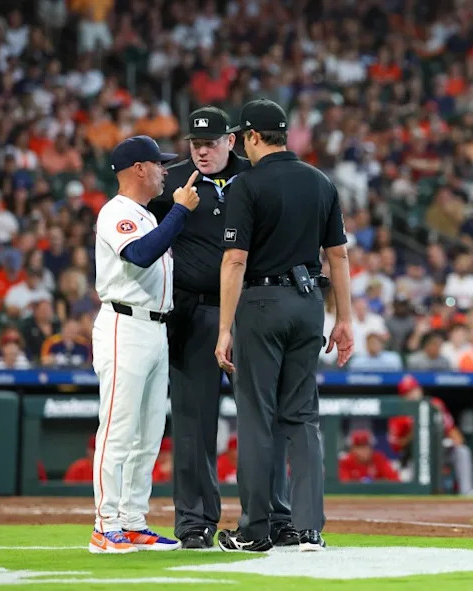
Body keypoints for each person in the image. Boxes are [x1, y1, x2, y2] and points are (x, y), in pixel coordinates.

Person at [149, 106, 295, 550]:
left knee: (261, 418)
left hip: (249, 310)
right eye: (195, 145)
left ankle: (271, 517)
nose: (202, 152)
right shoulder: (172, 181)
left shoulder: (257, 177)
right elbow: (133, 230)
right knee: (193, 423)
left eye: (210, 143)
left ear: (232, 140)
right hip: (193, 313)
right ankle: (194, 522)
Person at [214, 99, 353, 553]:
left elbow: (235, 260)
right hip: (311, 302)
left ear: (253, 136)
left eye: (243, 137)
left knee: (256, 417)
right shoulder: (321, 181)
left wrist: (223, 328)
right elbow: (339, 256)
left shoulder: (246, 185)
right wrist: (345, 319)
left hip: (262, 301)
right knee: (303, 417)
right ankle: (308, 527)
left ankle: (255, 531)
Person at [89, 135, 199, 554]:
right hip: (124, 324)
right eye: (159, 164)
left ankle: (132, 520)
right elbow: (139, 254)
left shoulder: (145, 213)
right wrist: (179, 212)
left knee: (147, 433)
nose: (164, 171)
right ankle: (105, 524)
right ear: (139, 169)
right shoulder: (117, 211)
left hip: (155, 328)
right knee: (118, 429)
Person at [388, 375, 473, 495]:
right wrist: (415, 430)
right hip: (413, 456)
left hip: (440, 451)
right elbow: (396, 446)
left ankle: (467, 491)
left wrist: (456, 441)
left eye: (414, 389)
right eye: (408, 392)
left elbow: (451, 429)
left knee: (462, 451)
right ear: (403, 396)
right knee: (407, 488)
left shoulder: (435, 404)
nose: (413, 394)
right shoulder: (400, 414)